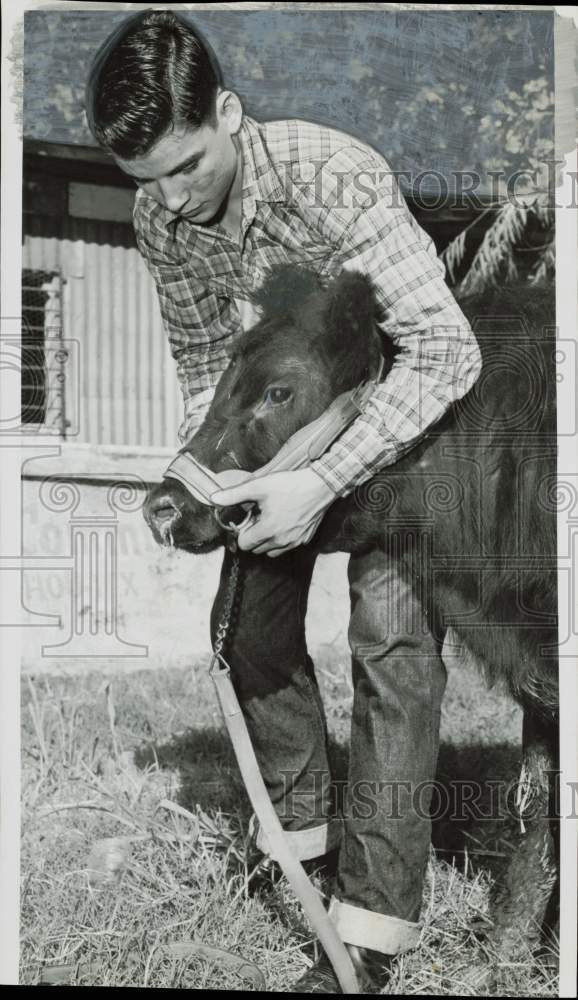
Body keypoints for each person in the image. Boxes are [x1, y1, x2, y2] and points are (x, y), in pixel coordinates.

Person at [86, 9, 482, 992]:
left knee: (390, 649)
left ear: (229, 111)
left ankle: (368, 930)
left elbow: (446, 350)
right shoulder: (156, 215)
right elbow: (199, 363)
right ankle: (301, 851)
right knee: (251, 636)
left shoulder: (330, 174)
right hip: (283, 432)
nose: (170, 203)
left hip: (402, 421)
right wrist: (211, 480)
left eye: (186, 166)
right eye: (146, 181)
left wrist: (325, 477)